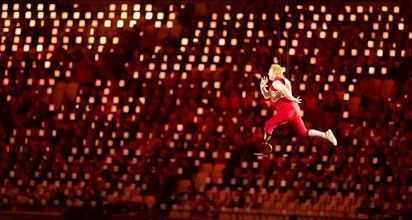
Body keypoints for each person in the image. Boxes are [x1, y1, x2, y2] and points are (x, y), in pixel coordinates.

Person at [257, 64, 337, 155]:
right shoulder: (281, 82)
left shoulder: (276, 82)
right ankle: (326, 135)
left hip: (287, 110)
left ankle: (264, 146)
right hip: (294, 110)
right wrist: (262, 87)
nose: (268, 73)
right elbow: (267, 95)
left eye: (269, 71)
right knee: (303, 133)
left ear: (275, 73)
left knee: (268, 125)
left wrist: (292, 98)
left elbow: (283, 89)